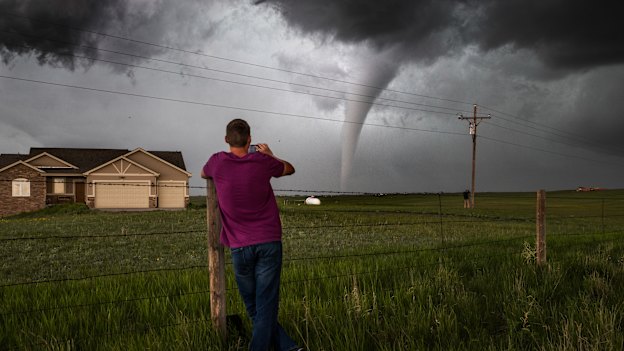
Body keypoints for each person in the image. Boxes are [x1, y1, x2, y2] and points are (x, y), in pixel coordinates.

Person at [201, 119, 301, 351]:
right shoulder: (263, 161)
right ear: (250, 139)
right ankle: (289, 348)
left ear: (226, 139)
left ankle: (287, 348)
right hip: (269, 243)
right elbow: (290, 168)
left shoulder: (216, 162)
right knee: (264, 306)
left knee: (255, 307)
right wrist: (271, 155)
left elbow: (202, 173)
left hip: (239, 246)